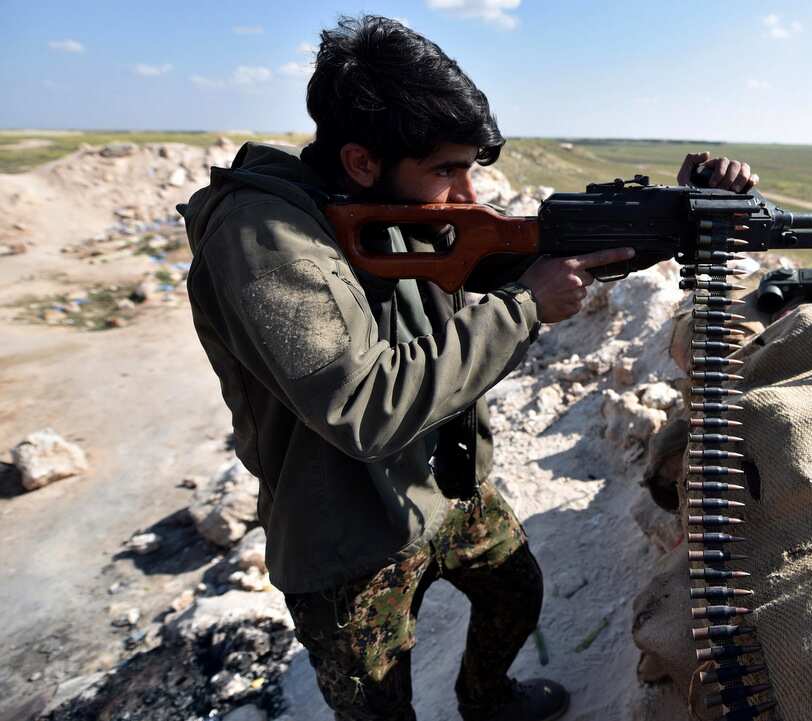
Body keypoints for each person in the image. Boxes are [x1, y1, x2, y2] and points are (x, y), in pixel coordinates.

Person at [180, 14, 758, 721]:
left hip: (442, 486)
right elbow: (364, 403)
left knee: (515, 589)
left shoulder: (382, 204)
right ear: (363, 161)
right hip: (345, 531)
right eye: (447, 171)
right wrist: (522, 309)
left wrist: (671, 214)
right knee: (378, 705)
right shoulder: (264, 240)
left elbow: (509, 252)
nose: (466, 196)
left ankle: (487, 700)